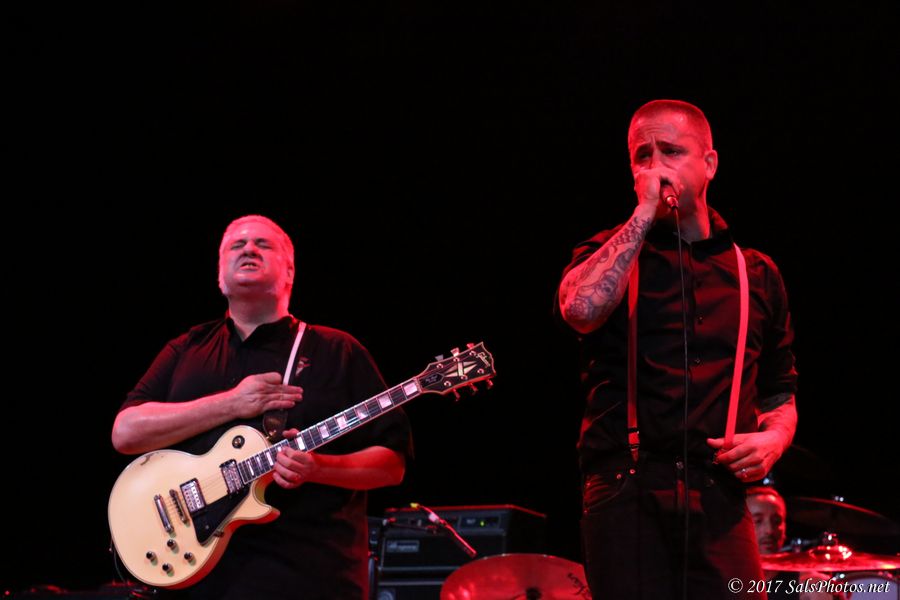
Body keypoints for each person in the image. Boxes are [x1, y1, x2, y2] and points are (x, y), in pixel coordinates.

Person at [557, 99, 799, 599]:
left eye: (670, 151)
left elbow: (780, 392)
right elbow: (580, 310)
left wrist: (774, 440)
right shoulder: (610, 251)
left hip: (720, 495)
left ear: (709, 164)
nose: (654, 166)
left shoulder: (756, 273)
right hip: (626, 487)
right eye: (641, 156)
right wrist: (645, 211)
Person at [112, 215, 412, 600]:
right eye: (236, 245)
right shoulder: (187, 348)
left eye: (262, 244)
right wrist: (232, 403)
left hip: (309, 578)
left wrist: (319, 468)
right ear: (219, 276)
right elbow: (126, 432)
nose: (249, 249)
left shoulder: (337, 351)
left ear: (289, 271)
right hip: (197, 582)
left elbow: (391, 464)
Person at [747, 487, 833, 600]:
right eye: (758, 521)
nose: (769, 530)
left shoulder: (808, 585)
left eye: (777, 521)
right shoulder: (727, 580)